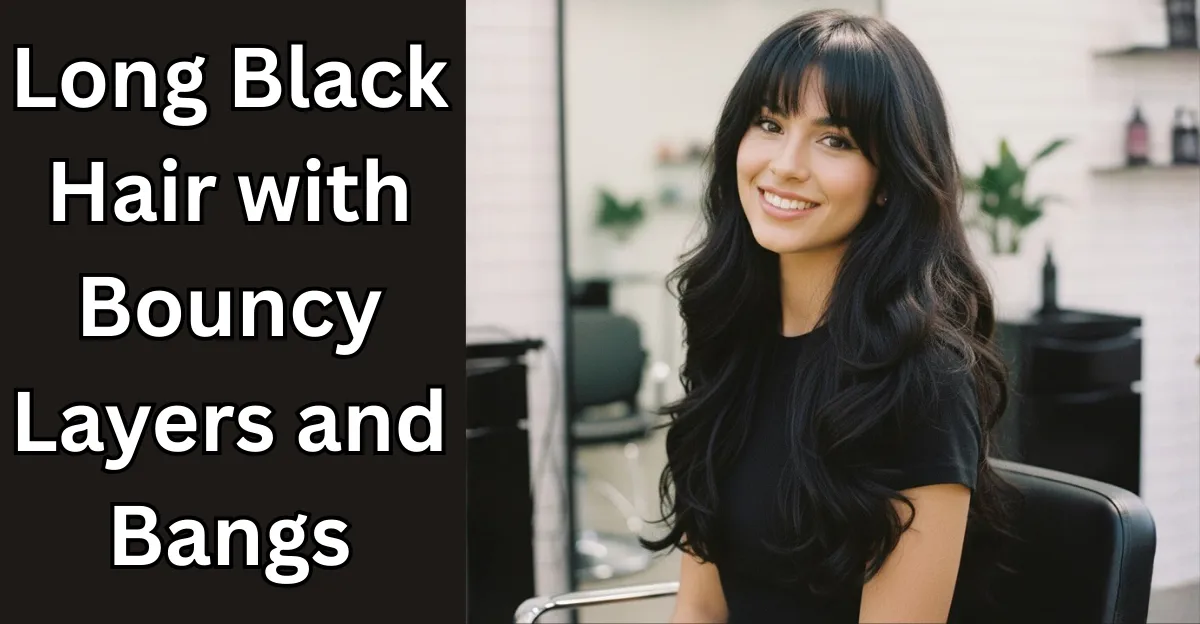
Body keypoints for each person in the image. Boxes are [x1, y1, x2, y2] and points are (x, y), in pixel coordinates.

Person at [642, 9, 1020, 623]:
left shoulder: (923, 381)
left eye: (834, 139)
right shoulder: (731, 340)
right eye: (769, 123)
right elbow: (702, 609)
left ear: (889, 179)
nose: (786, 164)